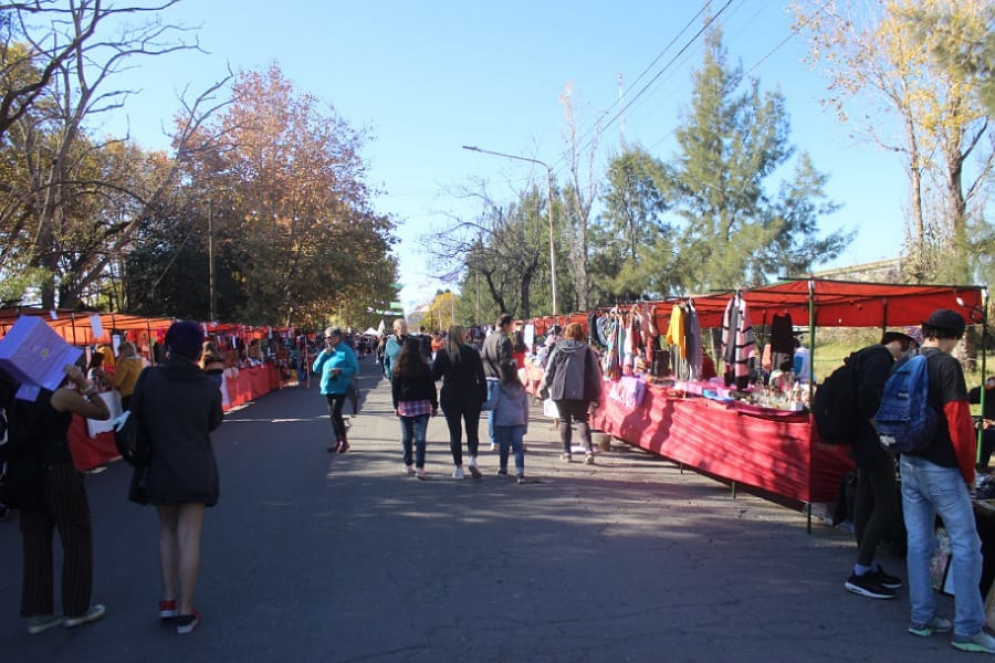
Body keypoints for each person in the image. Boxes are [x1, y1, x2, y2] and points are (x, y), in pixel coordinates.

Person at [898, 309, 995, 652]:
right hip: (941, 469)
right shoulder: (946, 365)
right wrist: (969, 474)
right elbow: (960, 424)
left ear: (926, 331)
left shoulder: (907, 362)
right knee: (968, 546)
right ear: (952, 336)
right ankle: (967, 628)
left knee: (918, 543)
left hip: (908, 463)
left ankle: (921, 618)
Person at [131, 320, 223, 635]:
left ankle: (168, 600)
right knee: (189, 536)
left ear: (167, 346)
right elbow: (213, 422)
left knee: (167, 531)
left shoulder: (149, 379)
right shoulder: (208, 385)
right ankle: (186, 610)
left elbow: (136, 414)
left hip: (159, 465)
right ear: (199, 349)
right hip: (196, 466)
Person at [12, 363, 111, 634]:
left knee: (35, 543)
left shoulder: (19, 392)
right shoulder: (58, 395)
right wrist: (84, 383)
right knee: (76, 536)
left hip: (25, 474)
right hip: (57, 470)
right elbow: (103, 412)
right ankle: (76, 607)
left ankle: (37, 611)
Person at [844, 329, 920, 600]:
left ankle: (866, 565)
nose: (911, 352)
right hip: (875, 444)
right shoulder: (880, 359)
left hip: (863, 443)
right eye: (912, 346)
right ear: (902, 343)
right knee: (886, 505)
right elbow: (868, 398)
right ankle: (861, 569)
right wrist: (883, 430)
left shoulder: (867, 356)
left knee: (865, 501)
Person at [432, 324, 487, 480]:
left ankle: (458, 468)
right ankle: (473, 459)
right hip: (471, 395)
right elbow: (481, 376)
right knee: (472, 430)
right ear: (464, 335)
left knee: (454, 433)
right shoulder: (472, 352)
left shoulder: (443, 353)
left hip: (450, 396)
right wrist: (483, 397)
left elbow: (434, 375)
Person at [543, 322, 602, 464]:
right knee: (581, 420)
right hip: (582, 391)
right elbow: (596, 374)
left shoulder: (558, 348)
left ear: (567, 334)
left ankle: (566, 453)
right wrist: (597, 394)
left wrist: (544, 386)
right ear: (581, 334)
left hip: (561, 390)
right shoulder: (587, 350)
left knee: (564, 420)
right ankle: (589, 452)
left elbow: (549, 370)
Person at [391, 337, 438, 479]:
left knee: (406, 436)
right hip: (422, 404)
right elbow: (431, 387)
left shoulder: (399, 366)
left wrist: (395, 405)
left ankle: (408, 464)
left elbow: (395, 388)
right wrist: (434, 404)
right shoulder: (424, 366)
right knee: (420, 437)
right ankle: (420, 467)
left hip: (405, 404)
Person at [313, 326, 360, 453]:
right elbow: (315, 369)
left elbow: (355, 369)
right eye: (326, 338)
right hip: (327, 387)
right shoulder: (327, 351)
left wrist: (340, 371)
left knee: (336, 413)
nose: (327, 340)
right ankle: (338, 440)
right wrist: (323, 354)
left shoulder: (346, 351)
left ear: (338, 337)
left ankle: (344, 442)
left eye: (330, 337)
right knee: (333, 415)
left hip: (341, 387)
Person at [483, 360, 529, 484]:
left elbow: (493, 404)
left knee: (504, 447)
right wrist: (525, 424)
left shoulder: (499, 387)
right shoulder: (521, 387)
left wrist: (480, 406)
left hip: (503, 421)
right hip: (518, 421)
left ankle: (503, 468)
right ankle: (520, 471)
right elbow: (525, 407)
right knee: (518, 447)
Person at [482, 314, 514, 450]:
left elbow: (483, 357)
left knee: (493, 411)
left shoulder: (488, 339)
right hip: (500, 378)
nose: (512, 328)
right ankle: (501, 439)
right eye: (512, 324)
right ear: (506, 325)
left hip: (488, 376)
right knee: (503, 411)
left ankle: (495, 440)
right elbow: (506, 362)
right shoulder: (505, 340)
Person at [968, 375, 995, 469]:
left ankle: (981, 465)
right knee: (970, 425)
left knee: (988, 434)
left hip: (991, 427)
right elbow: (971, 397)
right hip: (986, 423)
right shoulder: (991, 389)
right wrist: (986, 387)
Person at [110, 341, 144, 410]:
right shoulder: (140, 361)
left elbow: (116, 382)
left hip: (128, 396)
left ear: (123, 352)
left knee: (128, 418)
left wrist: (104, 376)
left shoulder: (124, 364)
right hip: (140, 393)